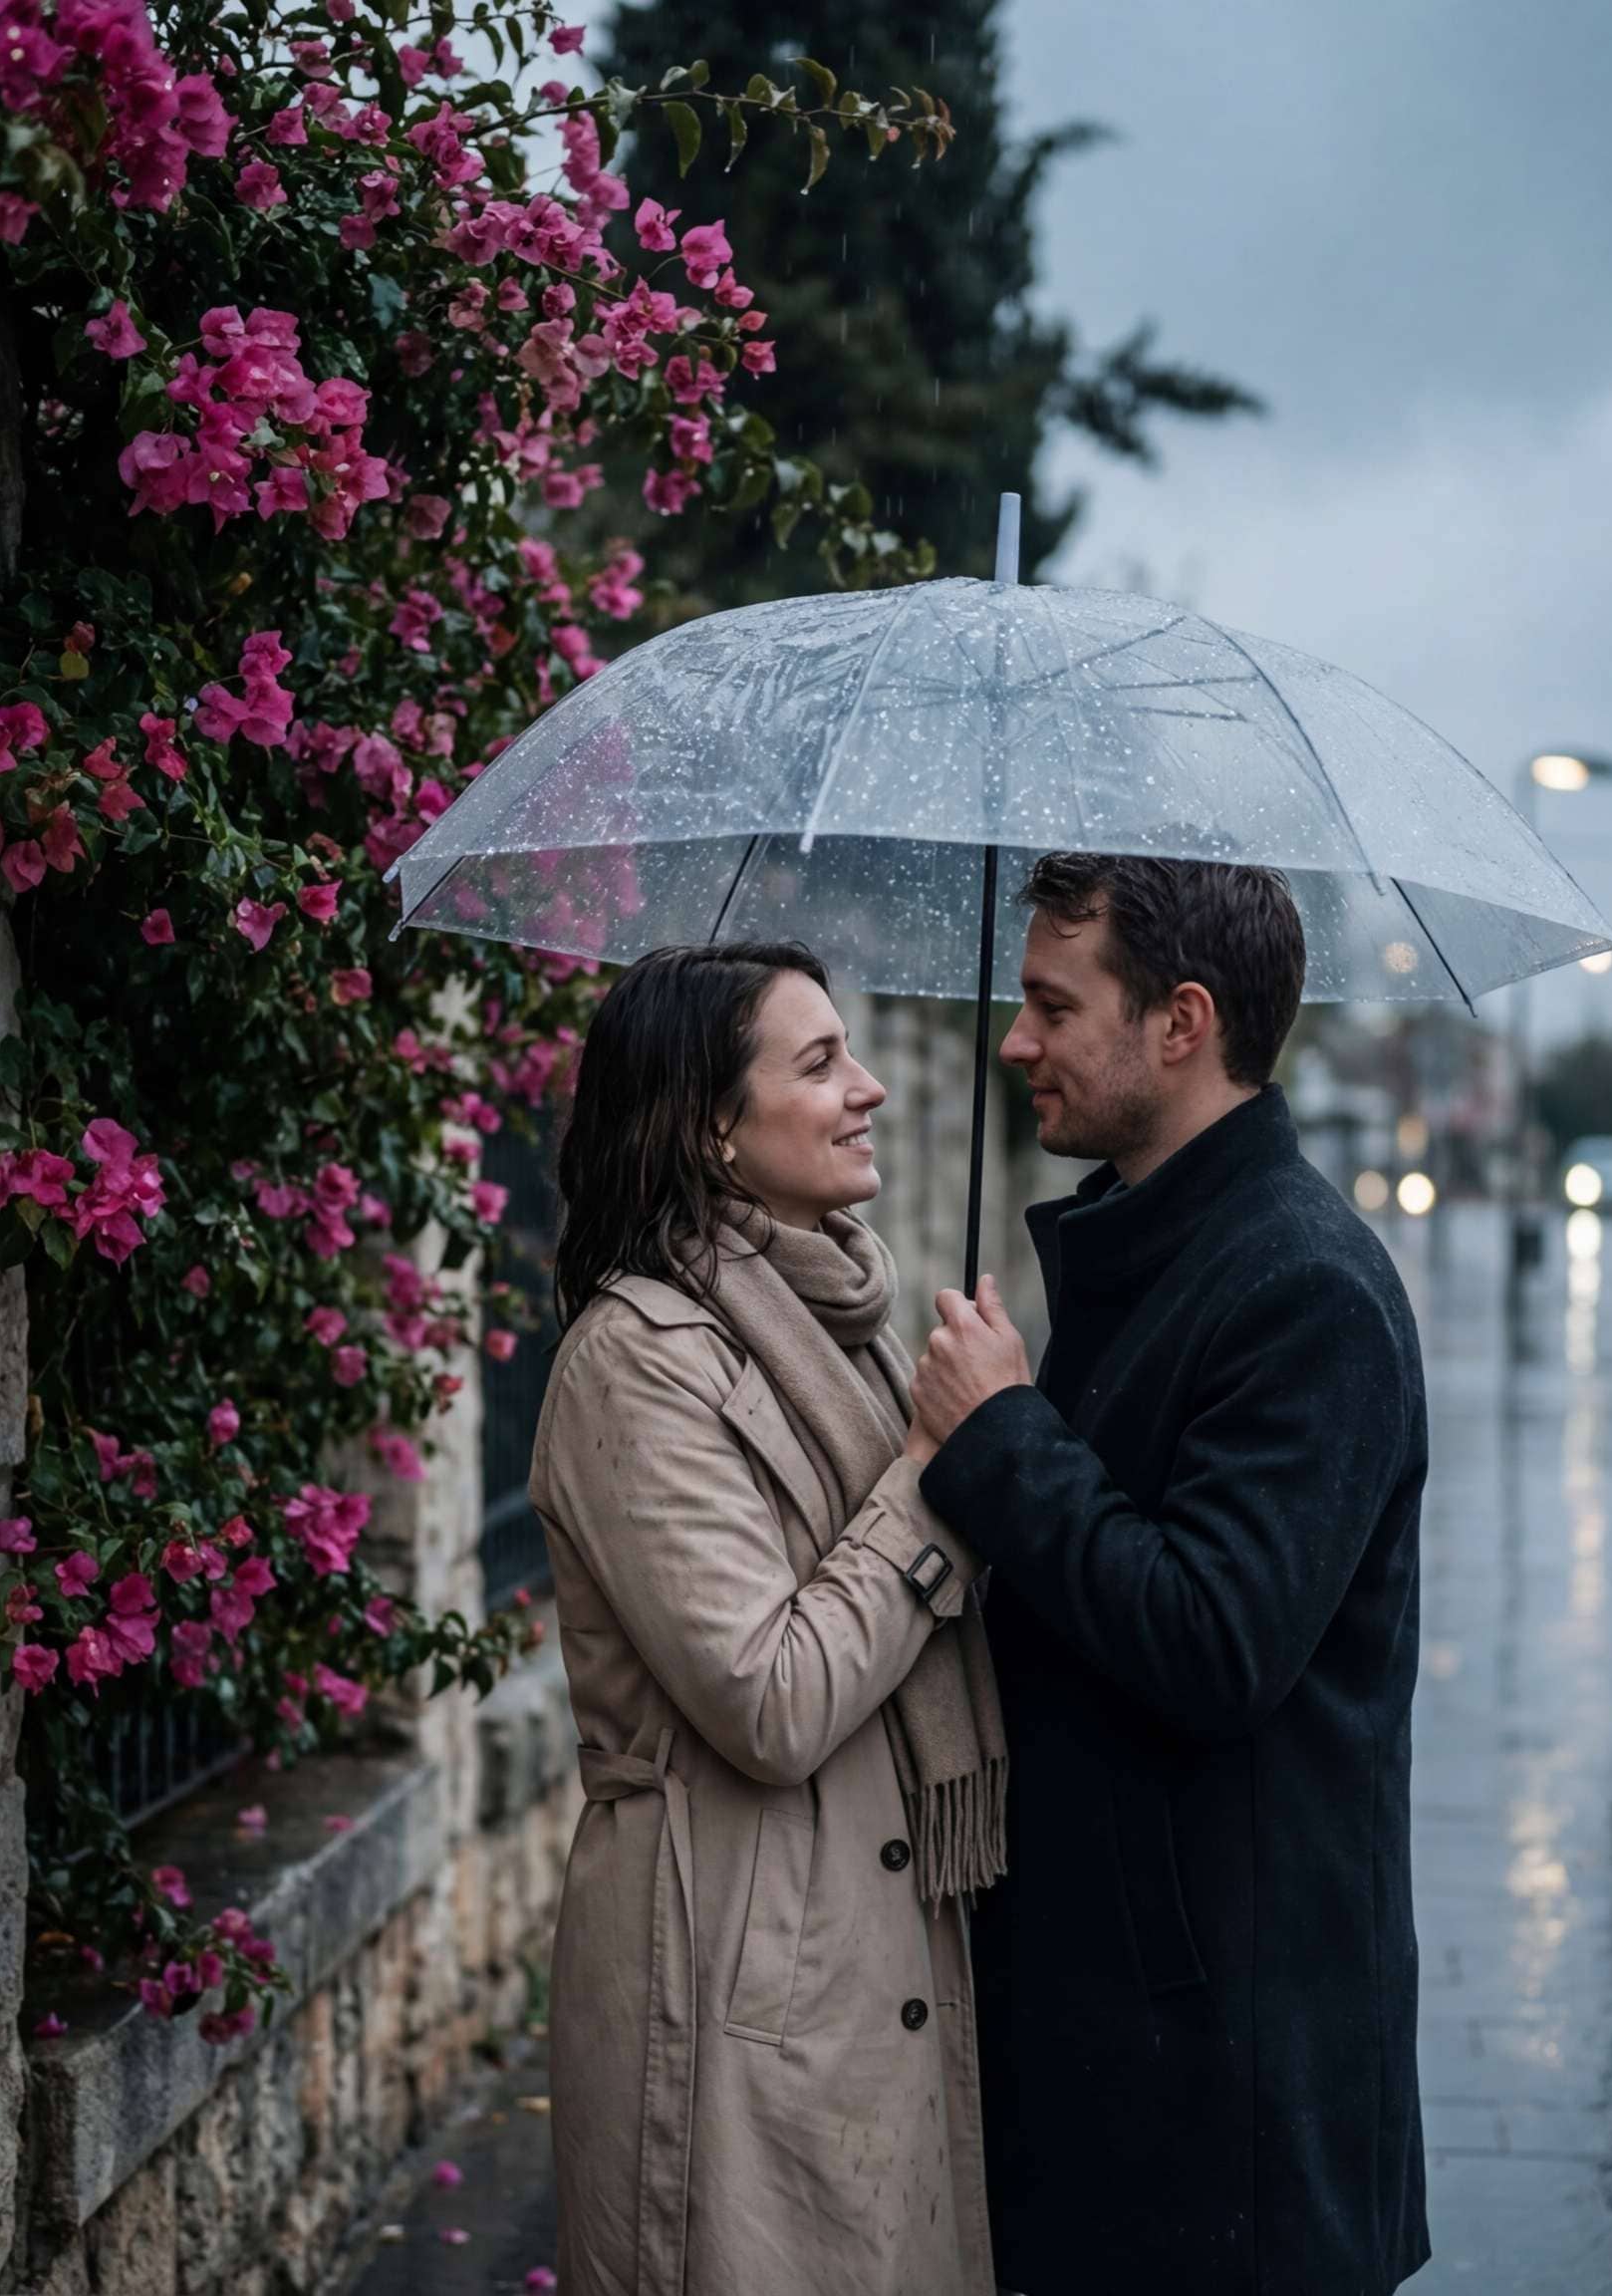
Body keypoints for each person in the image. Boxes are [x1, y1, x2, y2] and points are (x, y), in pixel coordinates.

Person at [910, 854, 1431, 2296]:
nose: (1017, 1043)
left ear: (1181, 1022)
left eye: (1052, 1006)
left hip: (1230, 2103)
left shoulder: (1303, 1288)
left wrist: (1006, 1439)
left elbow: (1218, 1641)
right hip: (1125, 2051)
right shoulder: (1157, 1250)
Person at [530, 940, 1004, 2296]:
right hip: (728, 1993)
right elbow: (772, 1699)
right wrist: (929, 1477)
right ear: (710, 1128)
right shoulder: (637, 1365)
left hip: (856, 1978)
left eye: (855, 1053)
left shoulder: (837, 1327)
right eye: (818, 1063)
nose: (870, 1091)